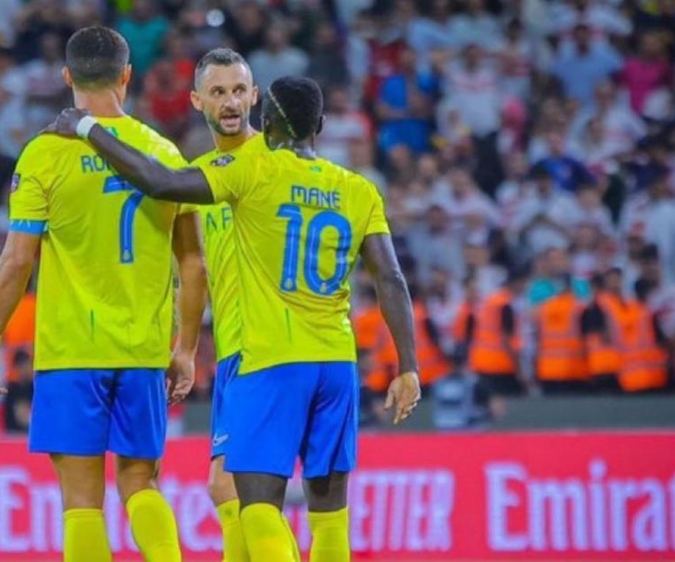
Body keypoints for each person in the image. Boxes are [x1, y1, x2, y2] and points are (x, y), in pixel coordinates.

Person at [46, 75, 421, 562]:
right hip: (335, 363)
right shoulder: (359, 190)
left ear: (265, 123)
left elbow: (161, 182)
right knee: (330, 515)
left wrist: (88, 128)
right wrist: (408, 367)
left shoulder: (253, 169)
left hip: (270, 359)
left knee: (258, 506)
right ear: (321, 125)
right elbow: (391, 277)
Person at [0, 27, 206, 562]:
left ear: (66, 76)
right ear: (127, 75)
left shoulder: (45, 153)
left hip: (71, 351)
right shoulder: (163, 152)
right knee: (141, 485)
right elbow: (193, 263)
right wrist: (187, 349)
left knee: (81, 503)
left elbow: (17, 260)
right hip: (143, 349)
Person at [187, 47, 298, 561]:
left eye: (238, 91)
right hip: (234, 347)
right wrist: (187, 349)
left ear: (255, 96)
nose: (230, 102)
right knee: (232, 490)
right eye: (218, 92)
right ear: (197, 101)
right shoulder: (199, 178)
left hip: (268, 347)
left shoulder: (277, 165)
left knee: (234, 486)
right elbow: (197, 270)